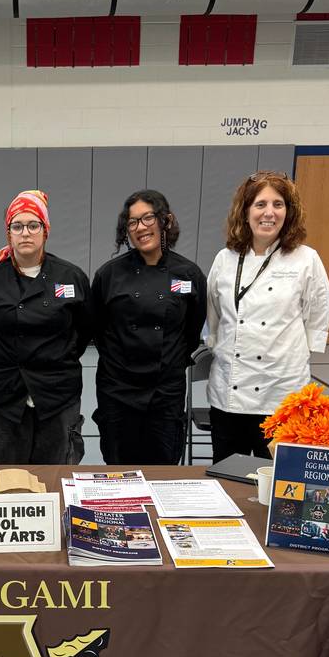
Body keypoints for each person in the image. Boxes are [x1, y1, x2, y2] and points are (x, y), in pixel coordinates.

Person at [206, 171, 329, 463]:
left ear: (289, 212)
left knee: (278, 480)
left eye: (278, 204)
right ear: (245, 211)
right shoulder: (225, 258)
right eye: (260, 204)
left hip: (282, 391)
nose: (269, 213)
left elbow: (318, 312)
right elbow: (214, 312)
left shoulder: (306, 259)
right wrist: (215, 342)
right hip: (229, 392)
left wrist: (307, 348)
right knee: (228, 473)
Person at [0, 189, 91, 464]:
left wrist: (56, 359)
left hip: (58, 393)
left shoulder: (71, 277)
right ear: (8, 233)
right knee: (7, 477)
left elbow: (83, 331)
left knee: (56, 475)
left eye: (33, 225)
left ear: (45, 231)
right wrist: (10, 362)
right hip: (6, 395)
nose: (25, 233)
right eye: (17, 226)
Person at [91, 189, 207, 465]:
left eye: (147, 218)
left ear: (165, 220)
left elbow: (192, 331)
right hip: (117, 390)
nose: (140, 227)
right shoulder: (109, 275)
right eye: (132, 222)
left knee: (164, 467)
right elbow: (97, 329)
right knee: (118, 468)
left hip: (165, 391)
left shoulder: (189, 274)